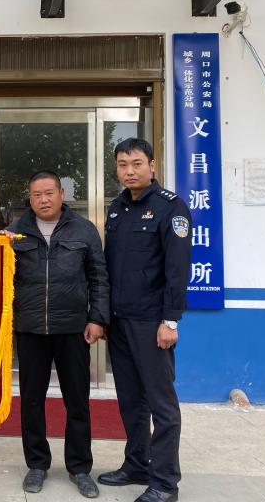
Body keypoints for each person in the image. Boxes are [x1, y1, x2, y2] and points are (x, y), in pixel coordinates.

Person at [0, 170, 109, 499]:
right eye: (36, 195)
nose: (43, 200)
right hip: (30, 328)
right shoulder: (15, 232)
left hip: (72, 328)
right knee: (31, 400)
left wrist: (98, 319)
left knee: (77, 400)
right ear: (29, 198)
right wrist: (1, 250)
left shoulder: (84, 230)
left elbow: (99, 277)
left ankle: (80, 467)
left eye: (49, 193)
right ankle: (37, 464)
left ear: (62, 194)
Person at [98, 138, 192, 502]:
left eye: (137, 163)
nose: (129, 171)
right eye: (123, 164)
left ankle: (165, 483)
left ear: (152, 166)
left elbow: (177, 269)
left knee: (161, 404)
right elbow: (110, 267)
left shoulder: (171, 207)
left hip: (152, 323)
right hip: (120, 322)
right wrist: (104, 316)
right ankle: (136, 464)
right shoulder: (117, 208)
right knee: (130, 400)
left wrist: (171, 321)